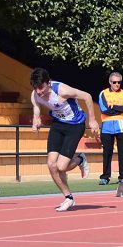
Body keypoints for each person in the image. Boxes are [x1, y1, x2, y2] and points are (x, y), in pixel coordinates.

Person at [29, 68, 98, 212]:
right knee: (51, 164)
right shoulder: (35, 94)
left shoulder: (62, 90)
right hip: (58, 125)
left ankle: (80, 159)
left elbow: (87, 96)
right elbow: (36, 107)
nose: (39, 92)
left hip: (75, 125)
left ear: (48, 83)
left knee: (61, 167)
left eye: (41, 88)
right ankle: (68, 197)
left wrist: (92, 120)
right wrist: (36, 119)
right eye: (36, 89)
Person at [97, 71, 123, 185]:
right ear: (110, 82)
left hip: (122, 126)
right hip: (106, 127)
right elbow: (104, 110)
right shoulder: (103, 93)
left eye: (119, 82)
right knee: (107, 153)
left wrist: (114, 107)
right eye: (114, 82)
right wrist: (119, 108)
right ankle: (105, 177)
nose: (117, 84)